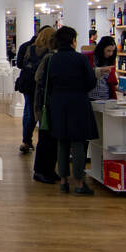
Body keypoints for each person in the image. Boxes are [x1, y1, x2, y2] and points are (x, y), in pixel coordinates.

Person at [41, 25, 99, 194]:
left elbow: (47, 84)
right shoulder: (80, 59)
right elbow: (90, 82)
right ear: (73, 41)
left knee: (62, 142)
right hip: (78, 103)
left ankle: (64, 180)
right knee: (78, 143)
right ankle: (80, 183)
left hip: (57, 104)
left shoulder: (52, 59)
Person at [16, 26, 53, 154]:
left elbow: (19, 64)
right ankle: (37, 140)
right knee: (39, 112)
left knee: (29, 112)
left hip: (27, 84)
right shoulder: (50, 52)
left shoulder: (27, 47)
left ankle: (26, 140)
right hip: (40, 86)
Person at [32, 29, 61, 183]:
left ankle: (48, 169)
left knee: (50, 139)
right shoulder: (49, 58)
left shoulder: (48, 56)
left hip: (45, 102)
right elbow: (39, 78)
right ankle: (41, 170)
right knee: (46, 139)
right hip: (46, 103)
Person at [88, 35, 119, 102]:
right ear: (102, 49)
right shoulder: (90, 58)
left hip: (106, 98)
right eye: (108, 51)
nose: (111, 53)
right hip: (91, 97)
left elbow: (112, 82)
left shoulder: (110, 60)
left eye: (112, 51)